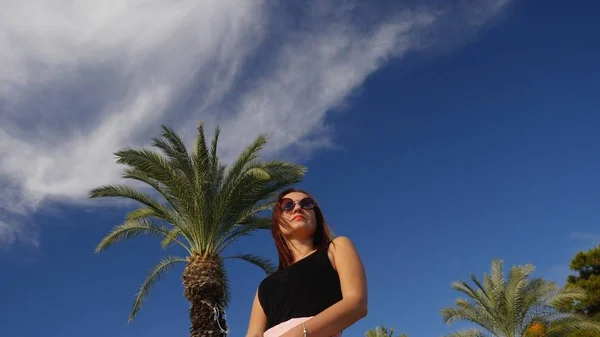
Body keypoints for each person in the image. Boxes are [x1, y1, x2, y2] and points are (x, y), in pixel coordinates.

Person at [245, 188, 368, 337]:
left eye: (307, 204)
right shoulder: (264, 287)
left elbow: (356, 303)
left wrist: (296, 334)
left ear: (316, 216)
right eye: (287, 205)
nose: (297, 208)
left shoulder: (337, 248)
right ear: (277, 224)